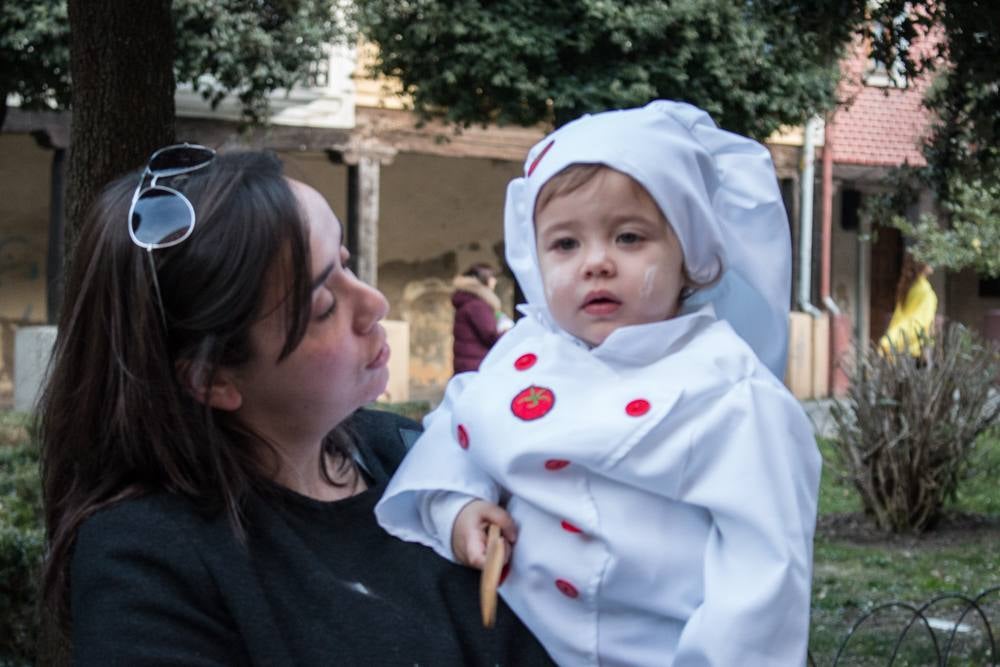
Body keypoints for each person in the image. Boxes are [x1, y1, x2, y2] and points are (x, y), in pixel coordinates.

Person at [37, 147, 553, 665]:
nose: (375, 304)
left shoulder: (411, 456)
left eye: (346, 263)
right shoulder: (147, 564)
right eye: (323, 306)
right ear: (212, 378)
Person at [376, 101, 822, 666]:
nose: (596, 263)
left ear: (691, 254)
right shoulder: (525, 353)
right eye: (565, 244)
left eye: (629, 238)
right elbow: (457, 435)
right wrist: (458, 509)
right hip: (514, 646)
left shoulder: (730, 391)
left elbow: (763, 573)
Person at [452, 263, 508, 373]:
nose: (495, 281)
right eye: (492, 277)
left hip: (467, 364)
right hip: (476, 365)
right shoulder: (477, 305)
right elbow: (490, 334)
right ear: (485, 279)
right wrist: (509, 333)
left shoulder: (468, 300)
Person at [879, 253, 938, 357]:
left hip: (899, 342)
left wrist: (890, 338)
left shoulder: (909, 286)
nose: (932, 263)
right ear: (922, 265)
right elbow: (923, 322)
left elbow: (898, 317)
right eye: (929, 260)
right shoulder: (925, 291)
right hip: (915, 346)